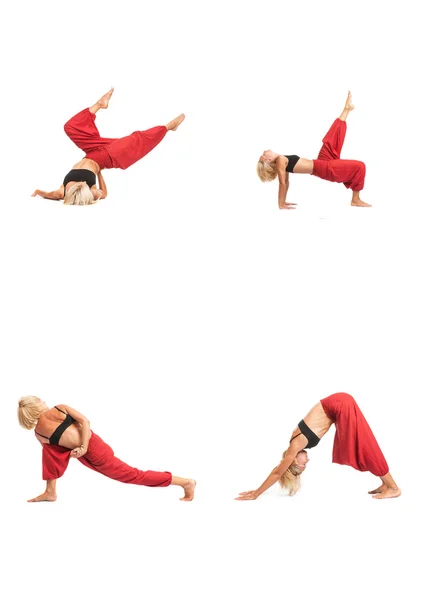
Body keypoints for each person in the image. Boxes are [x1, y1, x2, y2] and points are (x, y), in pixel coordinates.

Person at [18, 395, 196, 502]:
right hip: (90, 449)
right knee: (132, 475)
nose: (44, 401)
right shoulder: (59, 408)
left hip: (90, 450)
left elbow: (61, 448)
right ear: (36, 406)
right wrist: (81, 449)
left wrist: (80, 448)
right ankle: (50, 492)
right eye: (40, 400)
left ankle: (185, 482)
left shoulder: (39, 433)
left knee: (133, 475)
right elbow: (84, 423)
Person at [31, 88, 185, 205]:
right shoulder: (91, 193)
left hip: (92, 150)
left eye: (79, 185)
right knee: (137, 139)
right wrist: (99, 172)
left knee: (71, 127)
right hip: (108, 156)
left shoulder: (61, 192)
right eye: (85, 185)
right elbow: (104, 194)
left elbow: (45, 193)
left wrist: (37, 191)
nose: (83, 183)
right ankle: (169, 127)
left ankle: (99, 104)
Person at [236, 392, 400, 500]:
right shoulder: (297, 442)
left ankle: (393, 487)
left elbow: (278, 472)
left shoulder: (295, 445)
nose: (306, 463)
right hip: (339, 405)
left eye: (302, 465)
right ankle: (386, 483)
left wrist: (256, 493)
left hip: (339, 404)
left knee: (363, 446)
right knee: (358, 447)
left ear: (293, 460)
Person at [256, 92, 371, 209]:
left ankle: (346, 109)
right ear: (269, 159)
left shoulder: (282, 160)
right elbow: (282, 183)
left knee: (332, 138)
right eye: (263, 154)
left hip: (321, 161)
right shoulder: (280, 160)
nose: (265, 151)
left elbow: (286, 183)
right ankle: (355, 199)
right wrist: (280, 204)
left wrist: (283, 201)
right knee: (360, 166)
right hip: (324, 168)